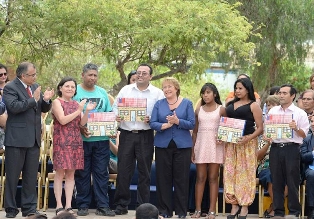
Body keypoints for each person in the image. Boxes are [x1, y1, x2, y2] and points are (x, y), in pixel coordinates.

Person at [3, 62, 54, 218]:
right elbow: (13, 107)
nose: (35, 77)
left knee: (31, 177)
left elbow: (41, 109)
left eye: (35, 74)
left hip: (33, 139)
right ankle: (11, 209)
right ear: (23, 75)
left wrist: (45, 100)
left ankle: (29, 208)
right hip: (16, 139)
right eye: (32, 75)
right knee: (12, 176)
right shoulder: (10, 87)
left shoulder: (34, 87)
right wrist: (34, 99)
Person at [112, 63, 164, 215]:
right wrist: (117, 115)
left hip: (146, 135)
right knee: (123, 171)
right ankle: (121, 205)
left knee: (145, 172)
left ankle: (143, 208)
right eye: (138, 72)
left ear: (150, 76)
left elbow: (161, 113)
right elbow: (115, 107)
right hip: (126, 133)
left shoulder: (157, 93)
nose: (140, 75)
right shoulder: (126, 89)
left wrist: (152, 118)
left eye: (144, 73)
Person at [73, 63, 115, 216]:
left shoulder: (103, 92)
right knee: (82, 174)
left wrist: (111, 130)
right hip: (81, 141)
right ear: (83, 75)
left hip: (101, 140)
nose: (92, 78)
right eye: (90, 75)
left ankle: (103, 206)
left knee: (101, 174)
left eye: (95, 75)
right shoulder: (75, 91)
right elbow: (70, 115)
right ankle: (83, 205)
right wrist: (79, 127)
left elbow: (109, 114)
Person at [150, 77, 195, 218]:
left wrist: (177, 121)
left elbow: (192, 123)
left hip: (183, 146)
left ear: (176, 88)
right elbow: (153, 123)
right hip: (163, 145)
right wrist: (165, 125)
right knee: (163, 179)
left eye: (169, 86)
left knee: (181, 179)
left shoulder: (187, 103)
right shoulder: (159, 104)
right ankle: (165, 211)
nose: (167, 89)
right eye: (164, 87)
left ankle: (182, 212)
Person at [51, 77, 96, 215]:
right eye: (67, 86)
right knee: (60, 173)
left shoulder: (77, 104)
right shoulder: (56, 102)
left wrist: (87, 111)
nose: (70, 89)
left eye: (72, 86)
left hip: (76, 141)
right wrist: (79, 110)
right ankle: (59, 205)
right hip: (62, 141)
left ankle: (69, 206)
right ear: (60, 88)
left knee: (71, 174)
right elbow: (63, 120)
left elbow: (81, 124)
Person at [224, 78, 263, 219]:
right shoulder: (230, 104)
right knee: (230, 174)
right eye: (236, 88)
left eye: (240, 88)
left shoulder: (254, 105)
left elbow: (260, 128)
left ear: (248, 89)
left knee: (245, 175)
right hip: (230, 144)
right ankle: (233, 205)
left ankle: (244, 206)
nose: (237, 91)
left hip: (246, 144)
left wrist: (249, 138)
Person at [268, 84, 309, 217]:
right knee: (276, 181)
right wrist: (267, 135)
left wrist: (296, 128)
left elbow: (303, 134)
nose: (281, 95)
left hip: (292, 148)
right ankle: (278, 211)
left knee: (292, 181)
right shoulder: (273, 111)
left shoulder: (300, 113)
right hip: (275, 148)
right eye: (280, 93)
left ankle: (294, 211)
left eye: (285, 93)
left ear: (292, 96)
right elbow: (267, 129)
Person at [191, 83, 226, 219]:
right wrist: (193, 149)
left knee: (213, 178)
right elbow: (194, 132)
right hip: (201, 145)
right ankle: (198, 210)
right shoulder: (198, 110)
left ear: (215, 94)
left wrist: (222, 138)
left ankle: (212, 210)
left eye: (208, 92)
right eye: (203, 93)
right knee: (200, 178)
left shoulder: (222, 110)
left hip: (215, 146)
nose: (205, 95)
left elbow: (226, 129)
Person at [257, 95, 281, 218]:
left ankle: (274, 207)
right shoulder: (262, 131)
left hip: (284, 163)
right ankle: (277, 209)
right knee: (272, 175)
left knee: (288, 176)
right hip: (266, 166)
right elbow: (257, 157)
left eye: (272, 104)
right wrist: (268, 143)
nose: (269, 107)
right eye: (268, 105)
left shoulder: (286, 128)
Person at [300, 118, 314, 219]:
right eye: (312, 122)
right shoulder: (306, 139)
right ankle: (312, 208)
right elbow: (303, 157)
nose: (313, 124)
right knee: (312, 175)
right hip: (311, 167)